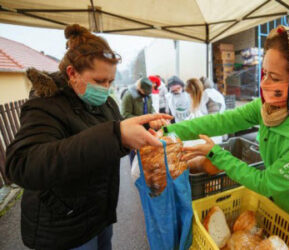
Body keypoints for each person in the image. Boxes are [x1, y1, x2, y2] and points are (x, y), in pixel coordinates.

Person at [163, 26, 289, 245]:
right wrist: (168, 130)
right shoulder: (272, 107)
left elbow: (265, 182)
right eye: (264, 73)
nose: (264, 84)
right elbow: (222, 121)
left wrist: (216, 154)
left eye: (274, 78)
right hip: (277, 208)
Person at [5, 24, 171, 250]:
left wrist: (140, 128)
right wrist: (116, 135)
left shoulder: (105, 102)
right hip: (64, 227)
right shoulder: (45, 106)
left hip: (99, 216)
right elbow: (23, 164)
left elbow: (114, 131)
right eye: (99, 81)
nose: (105, 88)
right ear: (72, 73)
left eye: (110, 82)